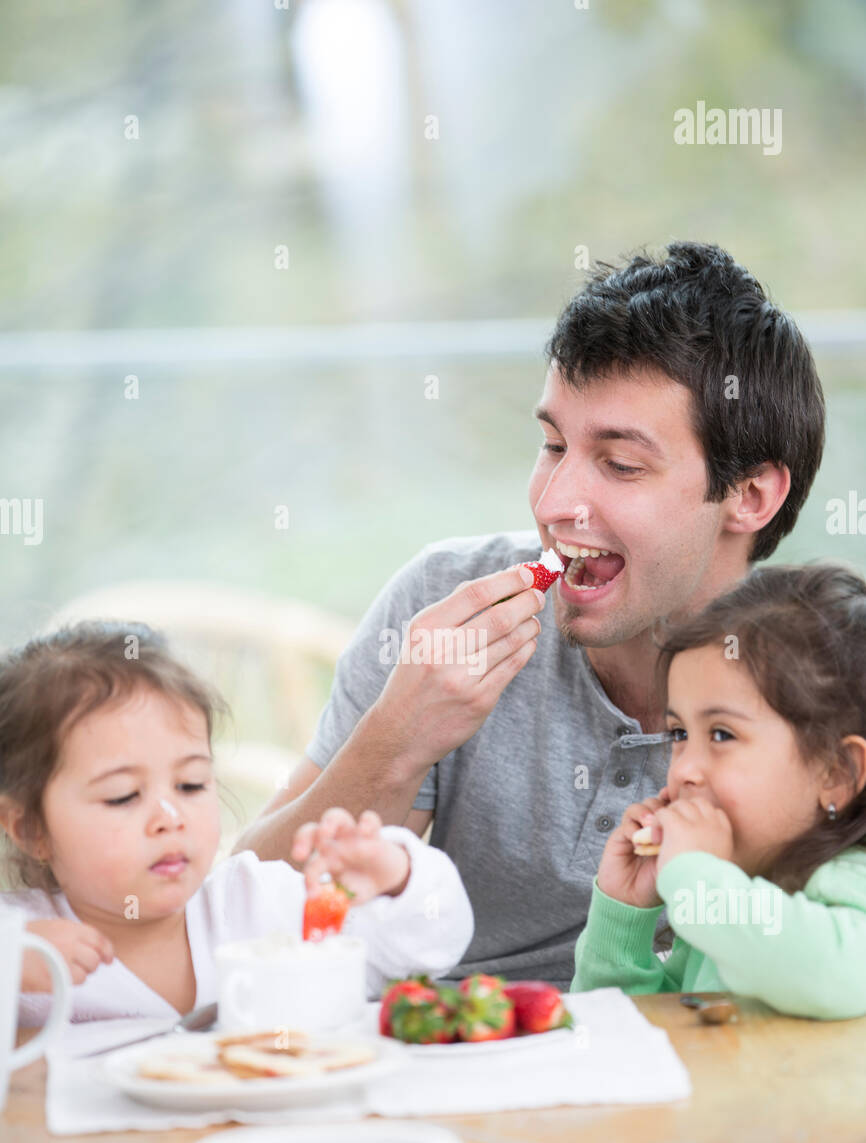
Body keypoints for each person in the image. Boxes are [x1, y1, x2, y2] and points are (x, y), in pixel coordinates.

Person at [236, 241, 826, 991]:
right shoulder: (441, 600)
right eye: (552, 445)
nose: (552, 504)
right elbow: (238, 925)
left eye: (620, 464)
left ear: (749, 496)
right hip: (437, 1055)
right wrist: (395, 740)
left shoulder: (820, 682)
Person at [0, 623, 473, 1026]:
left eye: (190, 785)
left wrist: (395, 877)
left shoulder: (260, 904)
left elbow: (430, 949)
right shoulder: (22, 940)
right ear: (29, 830)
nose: (170, 819)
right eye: (123, 796)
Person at [572, 563, 866, 1018]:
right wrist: (624, 916)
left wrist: (695, 876)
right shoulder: (728, 893)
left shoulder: (848, 882)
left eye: (723, 735)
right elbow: (630, 1039)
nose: (684, 770)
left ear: (836, 773)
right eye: (678, 734)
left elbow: (834, 976)